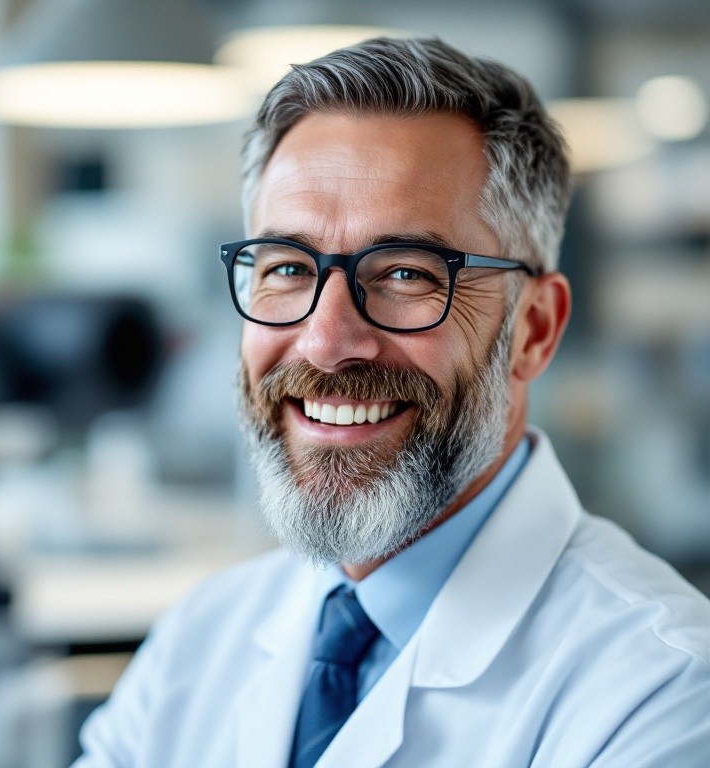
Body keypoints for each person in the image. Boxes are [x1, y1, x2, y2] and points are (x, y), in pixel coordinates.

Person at [73, 37, 710, 767]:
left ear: (534, 329)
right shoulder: (199, 639)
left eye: (407, 273)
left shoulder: (664, 696)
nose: (324, 342)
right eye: (286, 266)